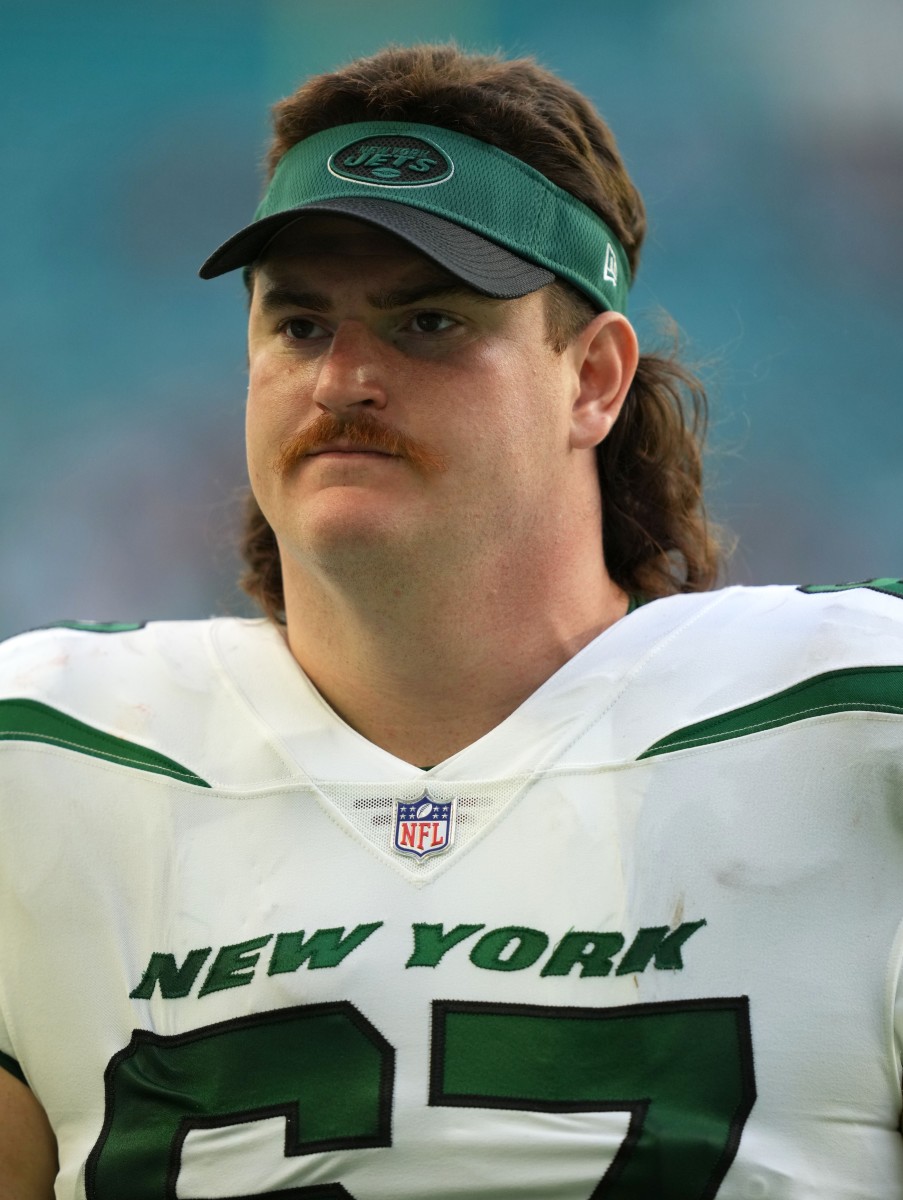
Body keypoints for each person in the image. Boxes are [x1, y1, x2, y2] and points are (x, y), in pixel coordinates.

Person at [1, 42, 902, 1199]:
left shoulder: (851, 728)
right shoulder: (49, 762)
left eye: (427, 323)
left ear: (594, 380)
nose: (343, 381)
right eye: (300, 326)